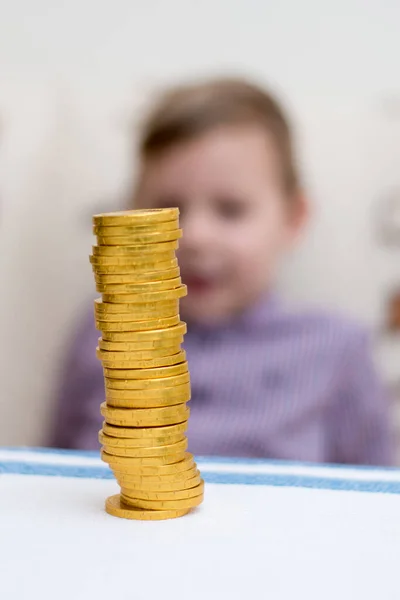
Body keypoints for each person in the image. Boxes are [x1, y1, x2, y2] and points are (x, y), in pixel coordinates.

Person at [50, 77, 393, 464]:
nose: (193, 236)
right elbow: (50, 471)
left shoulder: (335, 348)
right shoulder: (102, 329)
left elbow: (377, 494)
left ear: (293, 219)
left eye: (230, 210)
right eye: (167, 208)